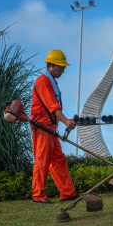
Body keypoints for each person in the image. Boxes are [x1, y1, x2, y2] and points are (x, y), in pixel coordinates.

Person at [30, 49, 78, 204]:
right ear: (51, 66)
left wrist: (64, 121)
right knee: (42, 160)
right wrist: (65, 121)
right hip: (42, 128)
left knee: (58, 160)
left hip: (50, 128)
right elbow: (52, 106)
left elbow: (54, 107)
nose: (63, 70)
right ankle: (38, 196)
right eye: (61, 67)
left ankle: (67, 193)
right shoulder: (43, 81)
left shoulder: (51, 81)